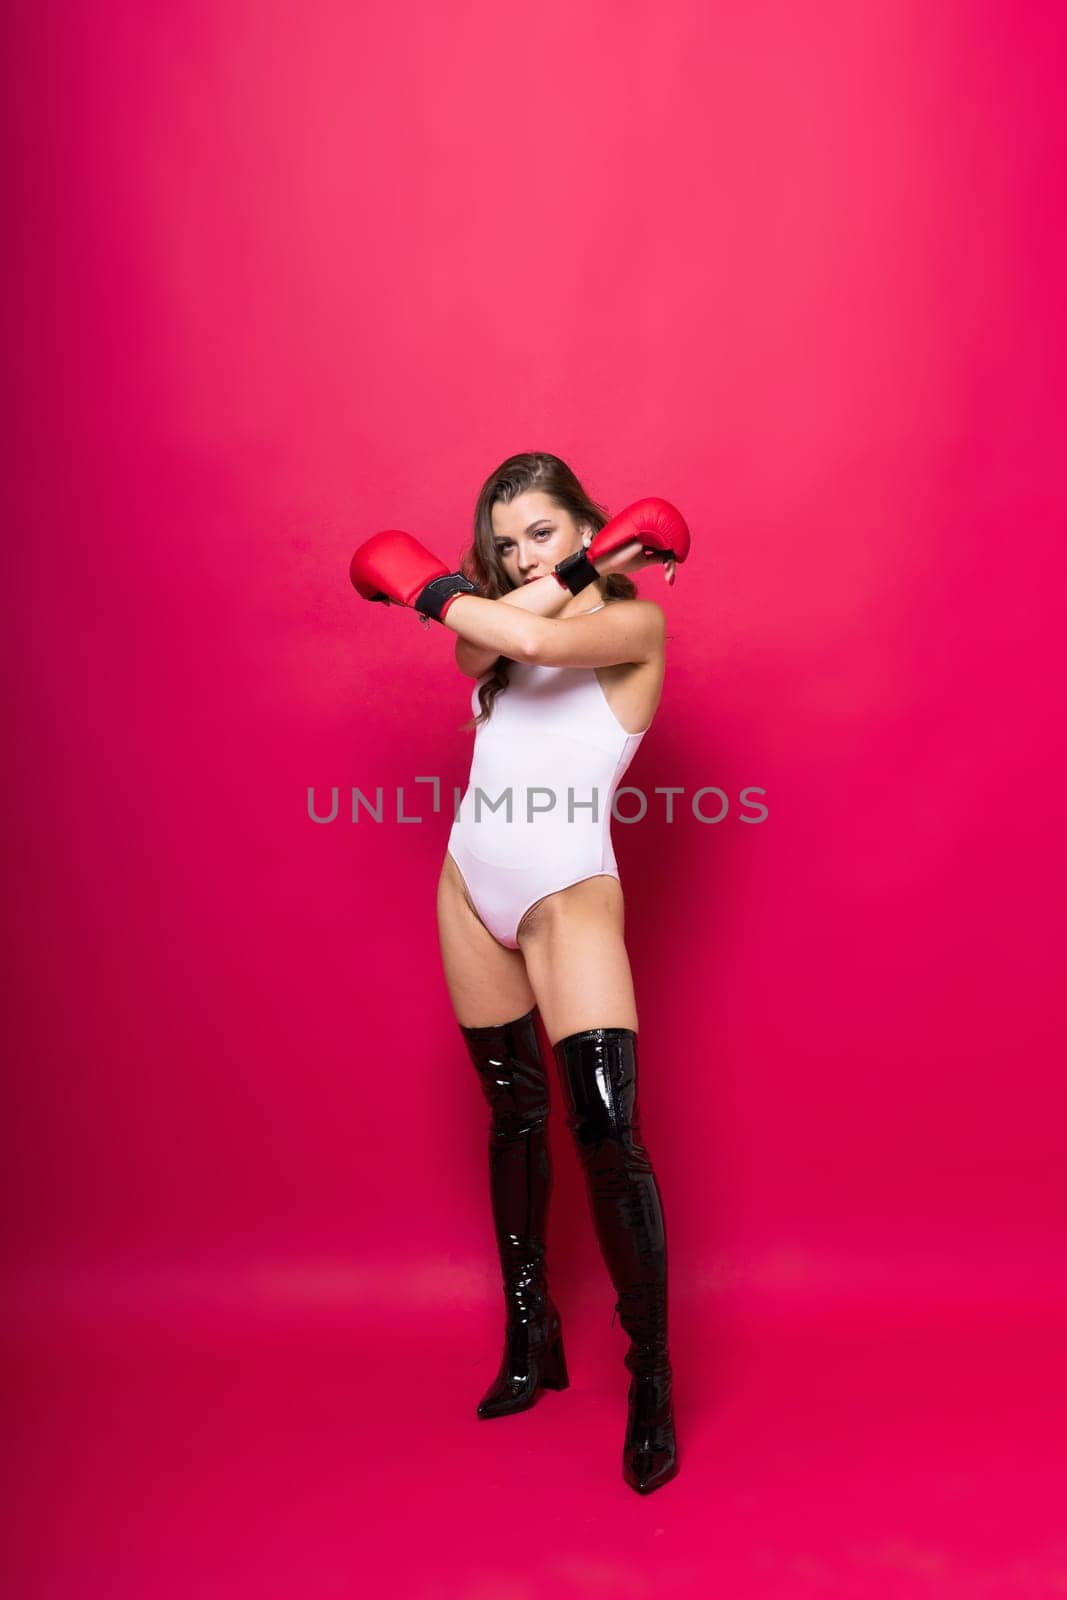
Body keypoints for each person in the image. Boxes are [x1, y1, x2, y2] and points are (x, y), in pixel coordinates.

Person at [350, 451, 688, 1495]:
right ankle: (530, 1329)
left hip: (563, 893)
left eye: (541, 530)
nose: (517, 555)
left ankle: (650, 1377)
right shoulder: (488, 645)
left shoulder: (630, 630)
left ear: (586, 522)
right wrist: (568, 559)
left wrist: (429, 581)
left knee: (606, 1139)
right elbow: (484, 648)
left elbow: (539, 633)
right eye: (503, 543)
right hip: (470, 883)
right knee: (512, 1115)